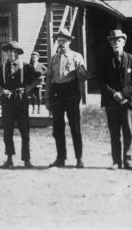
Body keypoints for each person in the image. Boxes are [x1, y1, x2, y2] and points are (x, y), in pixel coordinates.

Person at [45, 28, 88, 168]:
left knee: (75, 127)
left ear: (69, 41)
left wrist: (82, 98)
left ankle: (79, 158)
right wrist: (47, 98)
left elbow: (83, 78)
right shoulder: (54, 58)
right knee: (57, 128)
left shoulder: (77, 57)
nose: (61, 43)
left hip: (71, 92)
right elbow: (49, 78)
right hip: (57, 92)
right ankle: (60, 158)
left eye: (64, 40)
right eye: (59, 40)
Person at [100, 29, 132, 170]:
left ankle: (128, 160)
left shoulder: (131, 59)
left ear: (124, 42)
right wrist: (114, 94)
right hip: (112, 103)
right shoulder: (106, 60)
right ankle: (116, 161)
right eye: (113, 40)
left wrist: (123, 94)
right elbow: (102, 82)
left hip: (127, 102)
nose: (116, 43)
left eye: (119, 40)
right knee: (114, 133)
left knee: (128, 132)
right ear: (110, 43)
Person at [0, 41, 41, 168]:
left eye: (15, 52)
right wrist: (3, 91)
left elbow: (39, 78)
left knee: (24, 130)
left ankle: (26, 160)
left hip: (21, 100)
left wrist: (28, 89)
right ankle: (9, 159)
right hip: (7, 101)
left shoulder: (25, 66)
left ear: (18, 54)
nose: (12, 54)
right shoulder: (3, 67)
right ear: (7, 53)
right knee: (7, 130)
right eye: (10, 51)